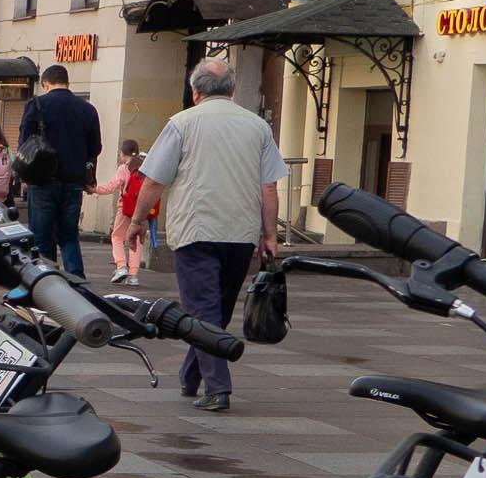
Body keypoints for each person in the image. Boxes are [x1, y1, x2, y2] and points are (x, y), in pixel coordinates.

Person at [132, 56, 286, 413]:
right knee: (214, 311)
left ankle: (218, 388)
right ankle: (190, 377)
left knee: (202, 312)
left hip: (196, 230)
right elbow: (269, 188)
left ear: (195, 90)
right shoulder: (257, 126)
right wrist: (269, 235)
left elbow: (155, 180)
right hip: (240, 232)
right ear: (232, 89)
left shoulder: (181, 124)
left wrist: (138, 219)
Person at [18, 63, 102, 277]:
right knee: (69, 236)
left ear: (45, 84)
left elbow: (24, 143)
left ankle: (48, 281)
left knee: (41, 237)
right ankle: (77, 282)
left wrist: (25, 176)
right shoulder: (87, 109)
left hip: (43, 180)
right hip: (74, 183)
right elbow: (95, 147)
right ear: (67, 83)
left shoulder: (37, 104)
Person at [89, 136, 155, 285]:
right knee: (136, 240)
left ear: (123, 154)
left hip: (125, 208)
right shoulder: (146, 166)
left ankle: (121, 267)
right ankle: (133, 276)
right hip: (142, 209)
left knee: (117, 237)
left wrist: (94, 189)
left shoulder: (124, 169)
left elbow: (111, 187)